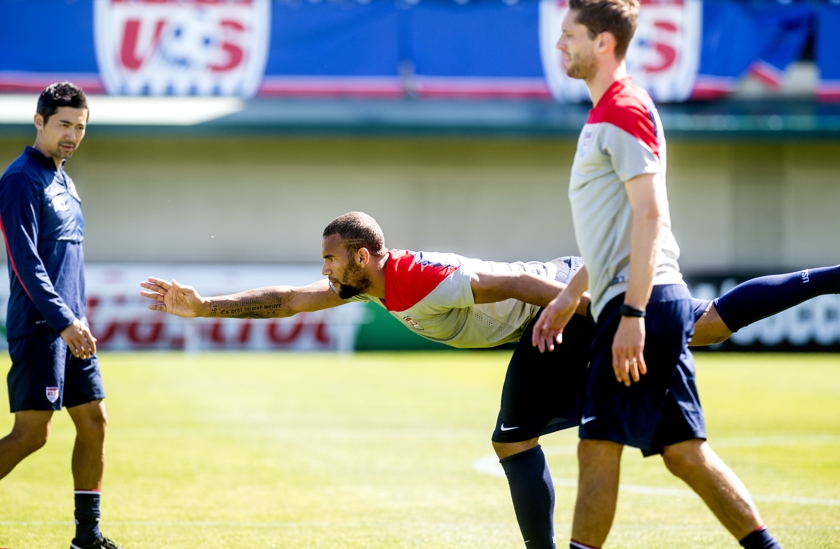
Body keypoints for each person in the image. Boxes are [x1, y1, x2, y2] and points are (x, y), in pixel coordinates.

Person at [140, 211, 839, 548]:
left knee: (520, 440)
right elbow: (290, 300)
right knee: (705, 325)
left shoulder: (417, 279)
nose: (323, 270)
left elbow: (512, 281)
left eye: (330, 257)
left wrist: (587, 316)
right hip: (567, 306)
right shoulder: (373, 283)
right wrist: (203, 307)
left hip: (564, 305)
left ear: (362, 253)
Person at [530, 3, 782, 549]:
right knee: (685, 453)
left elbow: (650, 216)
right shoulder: (605, 112)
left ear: (602, 43)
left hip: (642, 304)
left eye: (569, 35)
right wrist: (572, 296)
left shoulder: (623, 107)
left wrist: (632, 314)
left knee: (596, 445)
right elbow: (616, 230)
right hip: (635, 301)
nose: (559, 46)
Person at [0, 83, 123, 549]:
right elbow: (25, 262)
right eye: (64, 125)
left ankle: (86, 539)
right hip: (41, 327)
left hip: (74, 329)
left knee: (94, 422)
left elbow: (68, 263)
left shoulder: (64, 180)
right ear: (39, 121)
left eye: (80, 127)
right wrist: (63, 321)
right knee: (32, 435)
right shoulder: (20, 179)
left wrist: (79, 321)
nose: (72, 135)